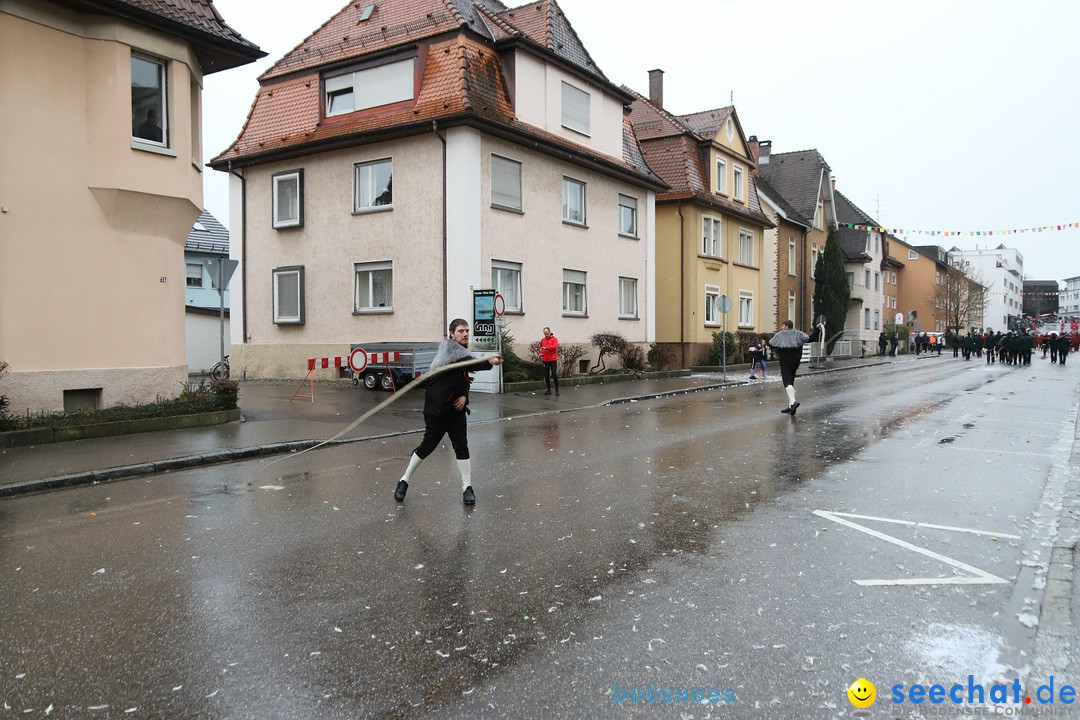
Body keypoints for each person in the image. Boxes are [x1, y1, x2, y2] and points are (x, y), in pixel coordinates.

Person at [394, 318, 503, 506]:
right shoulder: (451, 351)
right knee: (426, 448)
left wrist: (464, 397)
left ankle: (467, 487)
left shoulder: (461, 353)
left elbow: (463, 378)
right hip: (437, 411)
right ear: (451, 334)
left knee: (462, 447)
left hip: (455, 411)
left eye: (467, 330)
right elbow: (470, 365)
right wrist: (489, 361)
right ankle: (404, 480)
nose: (466, 334)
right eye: (461, 331)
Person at [768, 319, 823, 417]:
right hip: (795, 362)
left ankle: (793, 402)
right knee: (791, 381)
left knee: (787, 382)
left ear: (786, 327)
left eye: (782, 326)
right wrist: (818, 329)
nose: (781, 328)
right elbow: (810, 338)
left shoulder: (780, 335)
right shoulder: (799, 334)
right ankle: (790, 407)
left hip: (785, 362)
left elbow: (771, 344)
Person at [539, 326, 559, 396]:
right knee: (546, 375)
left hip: (553, 359)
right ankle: (548, 390)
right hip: (545, 360)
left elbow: (554, 347)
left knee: (554, 374)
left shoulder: (554, 339)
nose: (546, 335)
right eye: (545, 334)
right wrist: (541, 354)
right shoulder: (543, 340)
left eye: (547, 333)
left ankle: (557, 390)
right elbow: (540, 348)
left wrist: (546, 348)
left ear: (550, 332)